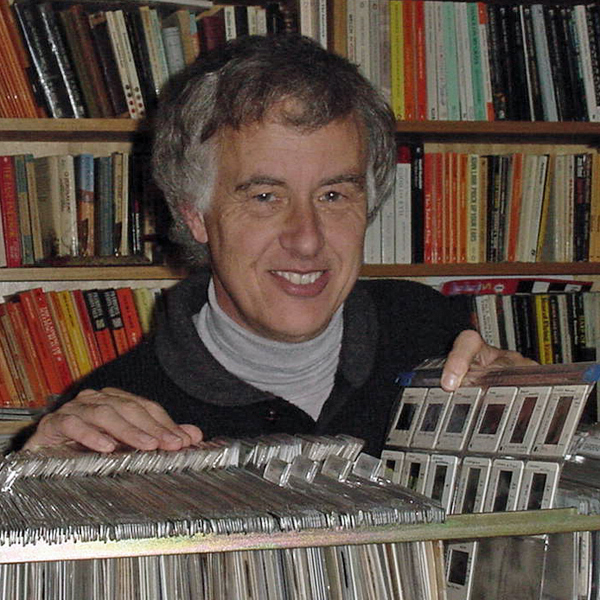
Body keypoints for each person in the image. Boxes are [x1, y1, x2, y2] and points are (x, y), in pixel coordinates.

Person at [22, 35, 529, 457]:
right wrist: (34, 489)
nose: (306, 240)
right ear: (194, 215)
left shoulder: (431, 331)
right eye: (264, 197)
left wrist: (544, 410)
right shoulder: (116, 423)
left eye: (333, 195)